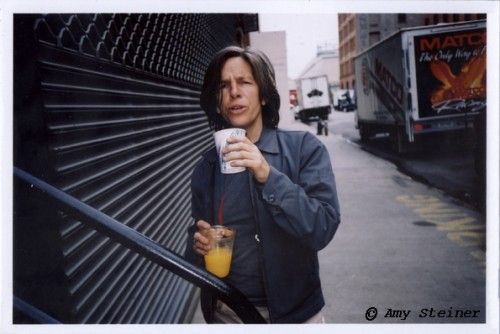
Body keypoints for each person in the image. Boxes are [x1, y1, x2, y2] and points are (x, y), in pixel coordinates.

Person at [186, 45, 341, 324]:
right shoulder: (206, 169)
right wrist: (197, 245)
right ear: (218, 101)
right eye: (224, 85)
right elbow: (197, 242)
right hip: (228, 314)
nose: (234, 92)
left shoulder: (303, 149)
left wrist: (267, 174)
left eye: (245, 82)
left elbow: (323, 227)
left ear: (265, 95)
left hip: (297, 316)